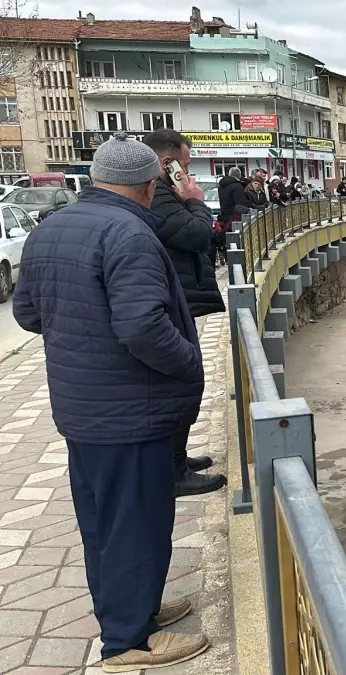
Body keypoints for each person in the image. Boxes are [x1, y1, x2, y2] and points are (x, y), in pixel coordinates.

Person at [12, 132, 210, 671]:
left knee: (104, 524)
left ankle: (131, 611)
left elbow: (27, 314)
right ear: (149, 185)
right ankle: (127, 642)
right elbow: (144, 327)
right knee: (138, 526)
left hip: (83, 409)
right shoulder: (130, 234)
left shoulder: (50, 229)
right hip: (132, 410)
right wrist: (190, 362)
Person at [142, 128, 228, 497]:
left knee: (186, 386)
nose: (188, 173)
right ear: (167, 162)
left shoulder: (162, 192)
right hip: (173, 301)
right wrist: (195, 199)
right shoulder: (160, 195)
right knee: (184, 386)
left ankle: (177, 457)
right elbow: (196, 235)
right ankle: (173, 470)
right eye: (184, 165)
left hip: (181, 300)